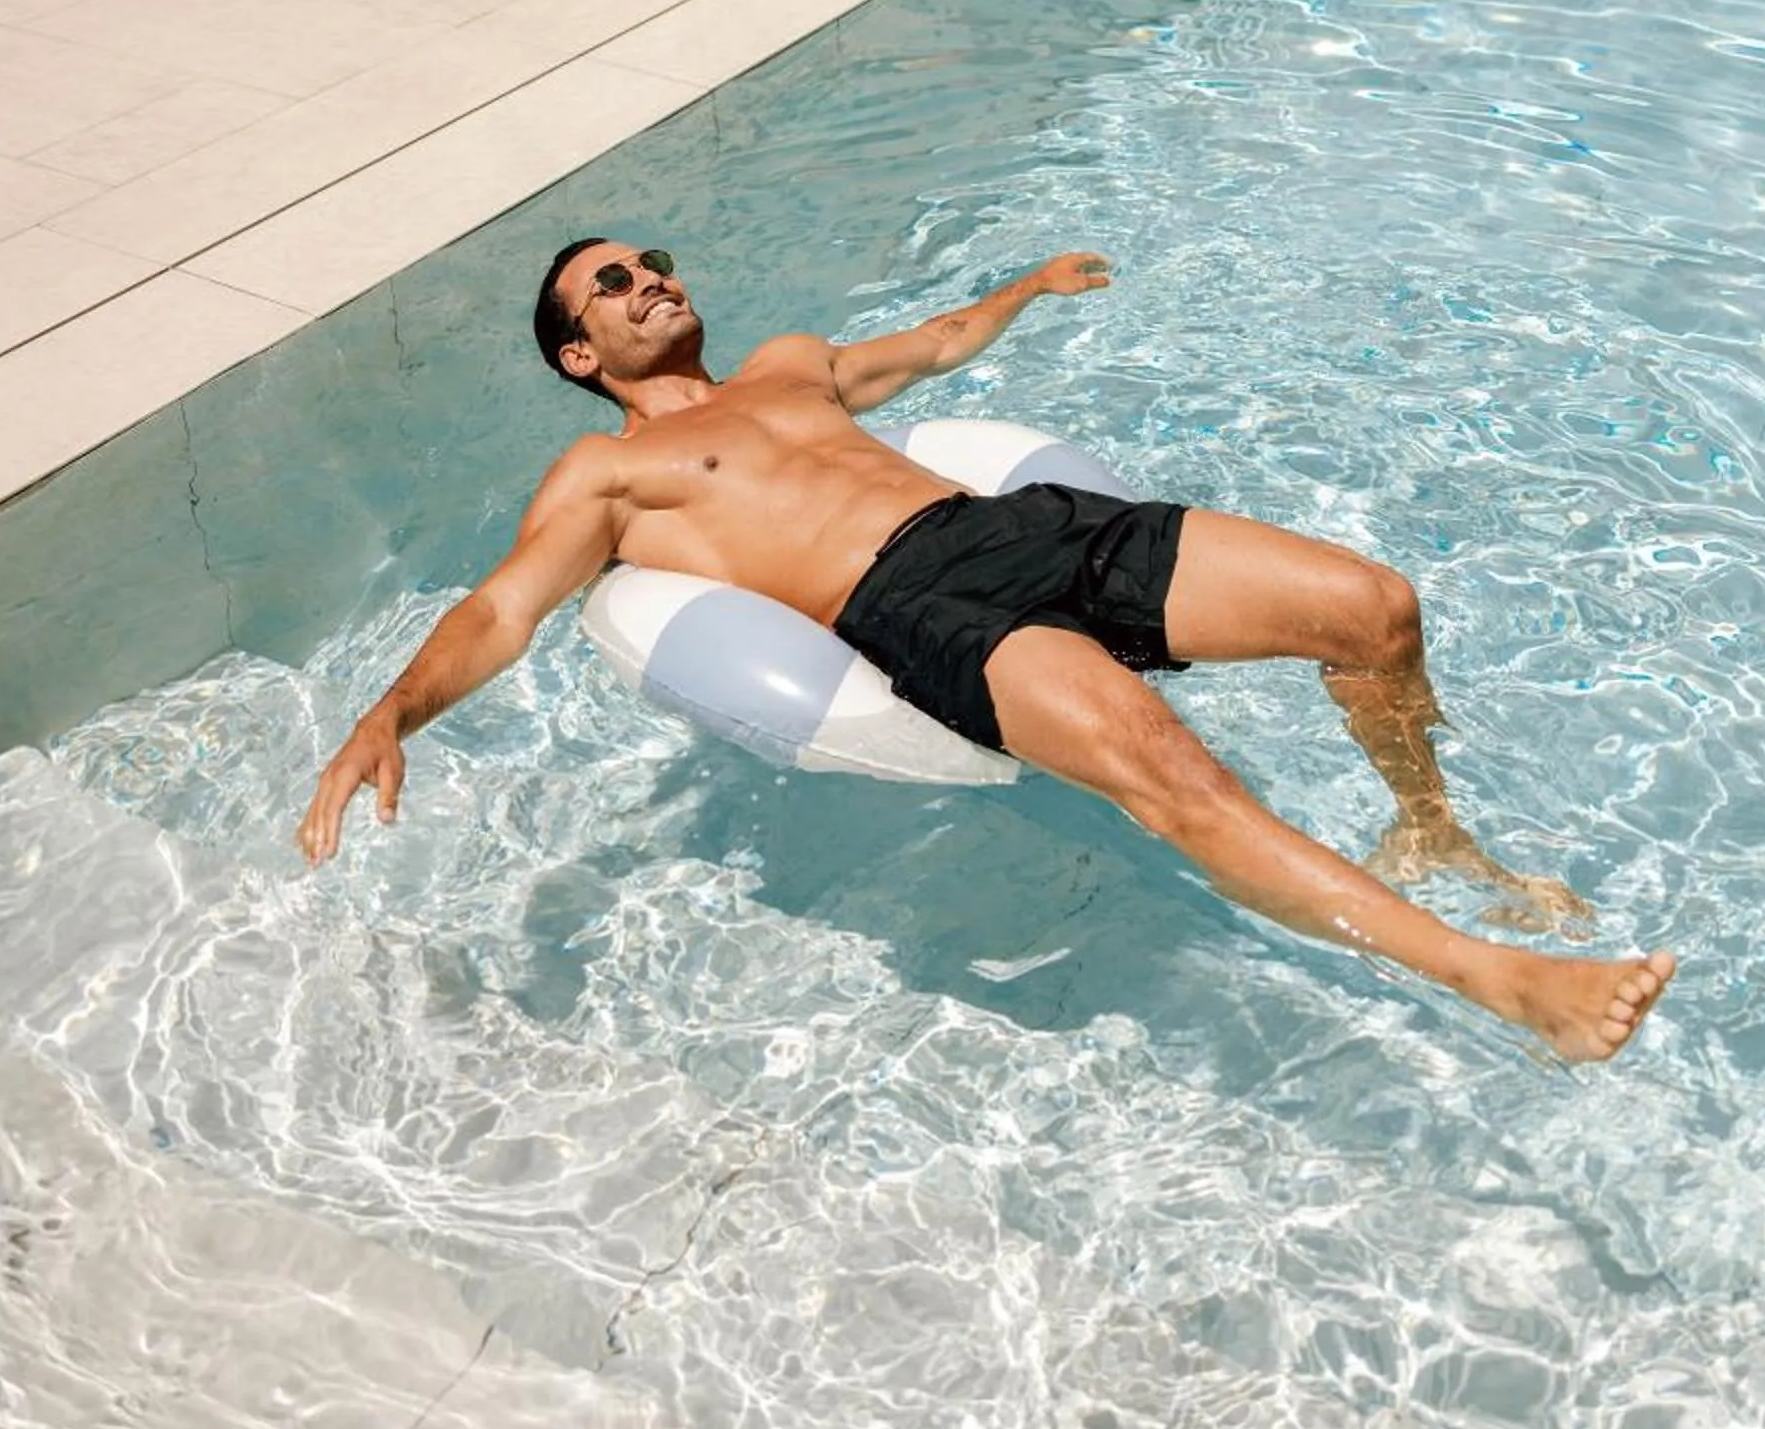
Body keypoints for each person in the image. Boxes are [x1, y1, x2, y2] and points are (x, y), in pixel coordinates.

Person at [298, 242, 1676, 1066]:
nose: (646, 279)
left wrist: (1028, 283)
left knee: (1372, 607)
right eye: (610, 284)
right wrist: (391, 714)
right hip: (921, 607)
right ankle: (1497, 981)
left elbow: (939, 344)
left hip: (1029, 528)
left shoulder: (789, 360)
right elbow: (500, 610)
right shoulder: (606, 471)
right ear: (577, 351)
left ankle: (1424, 825)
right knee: (1170, 776)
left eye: (650, 260)